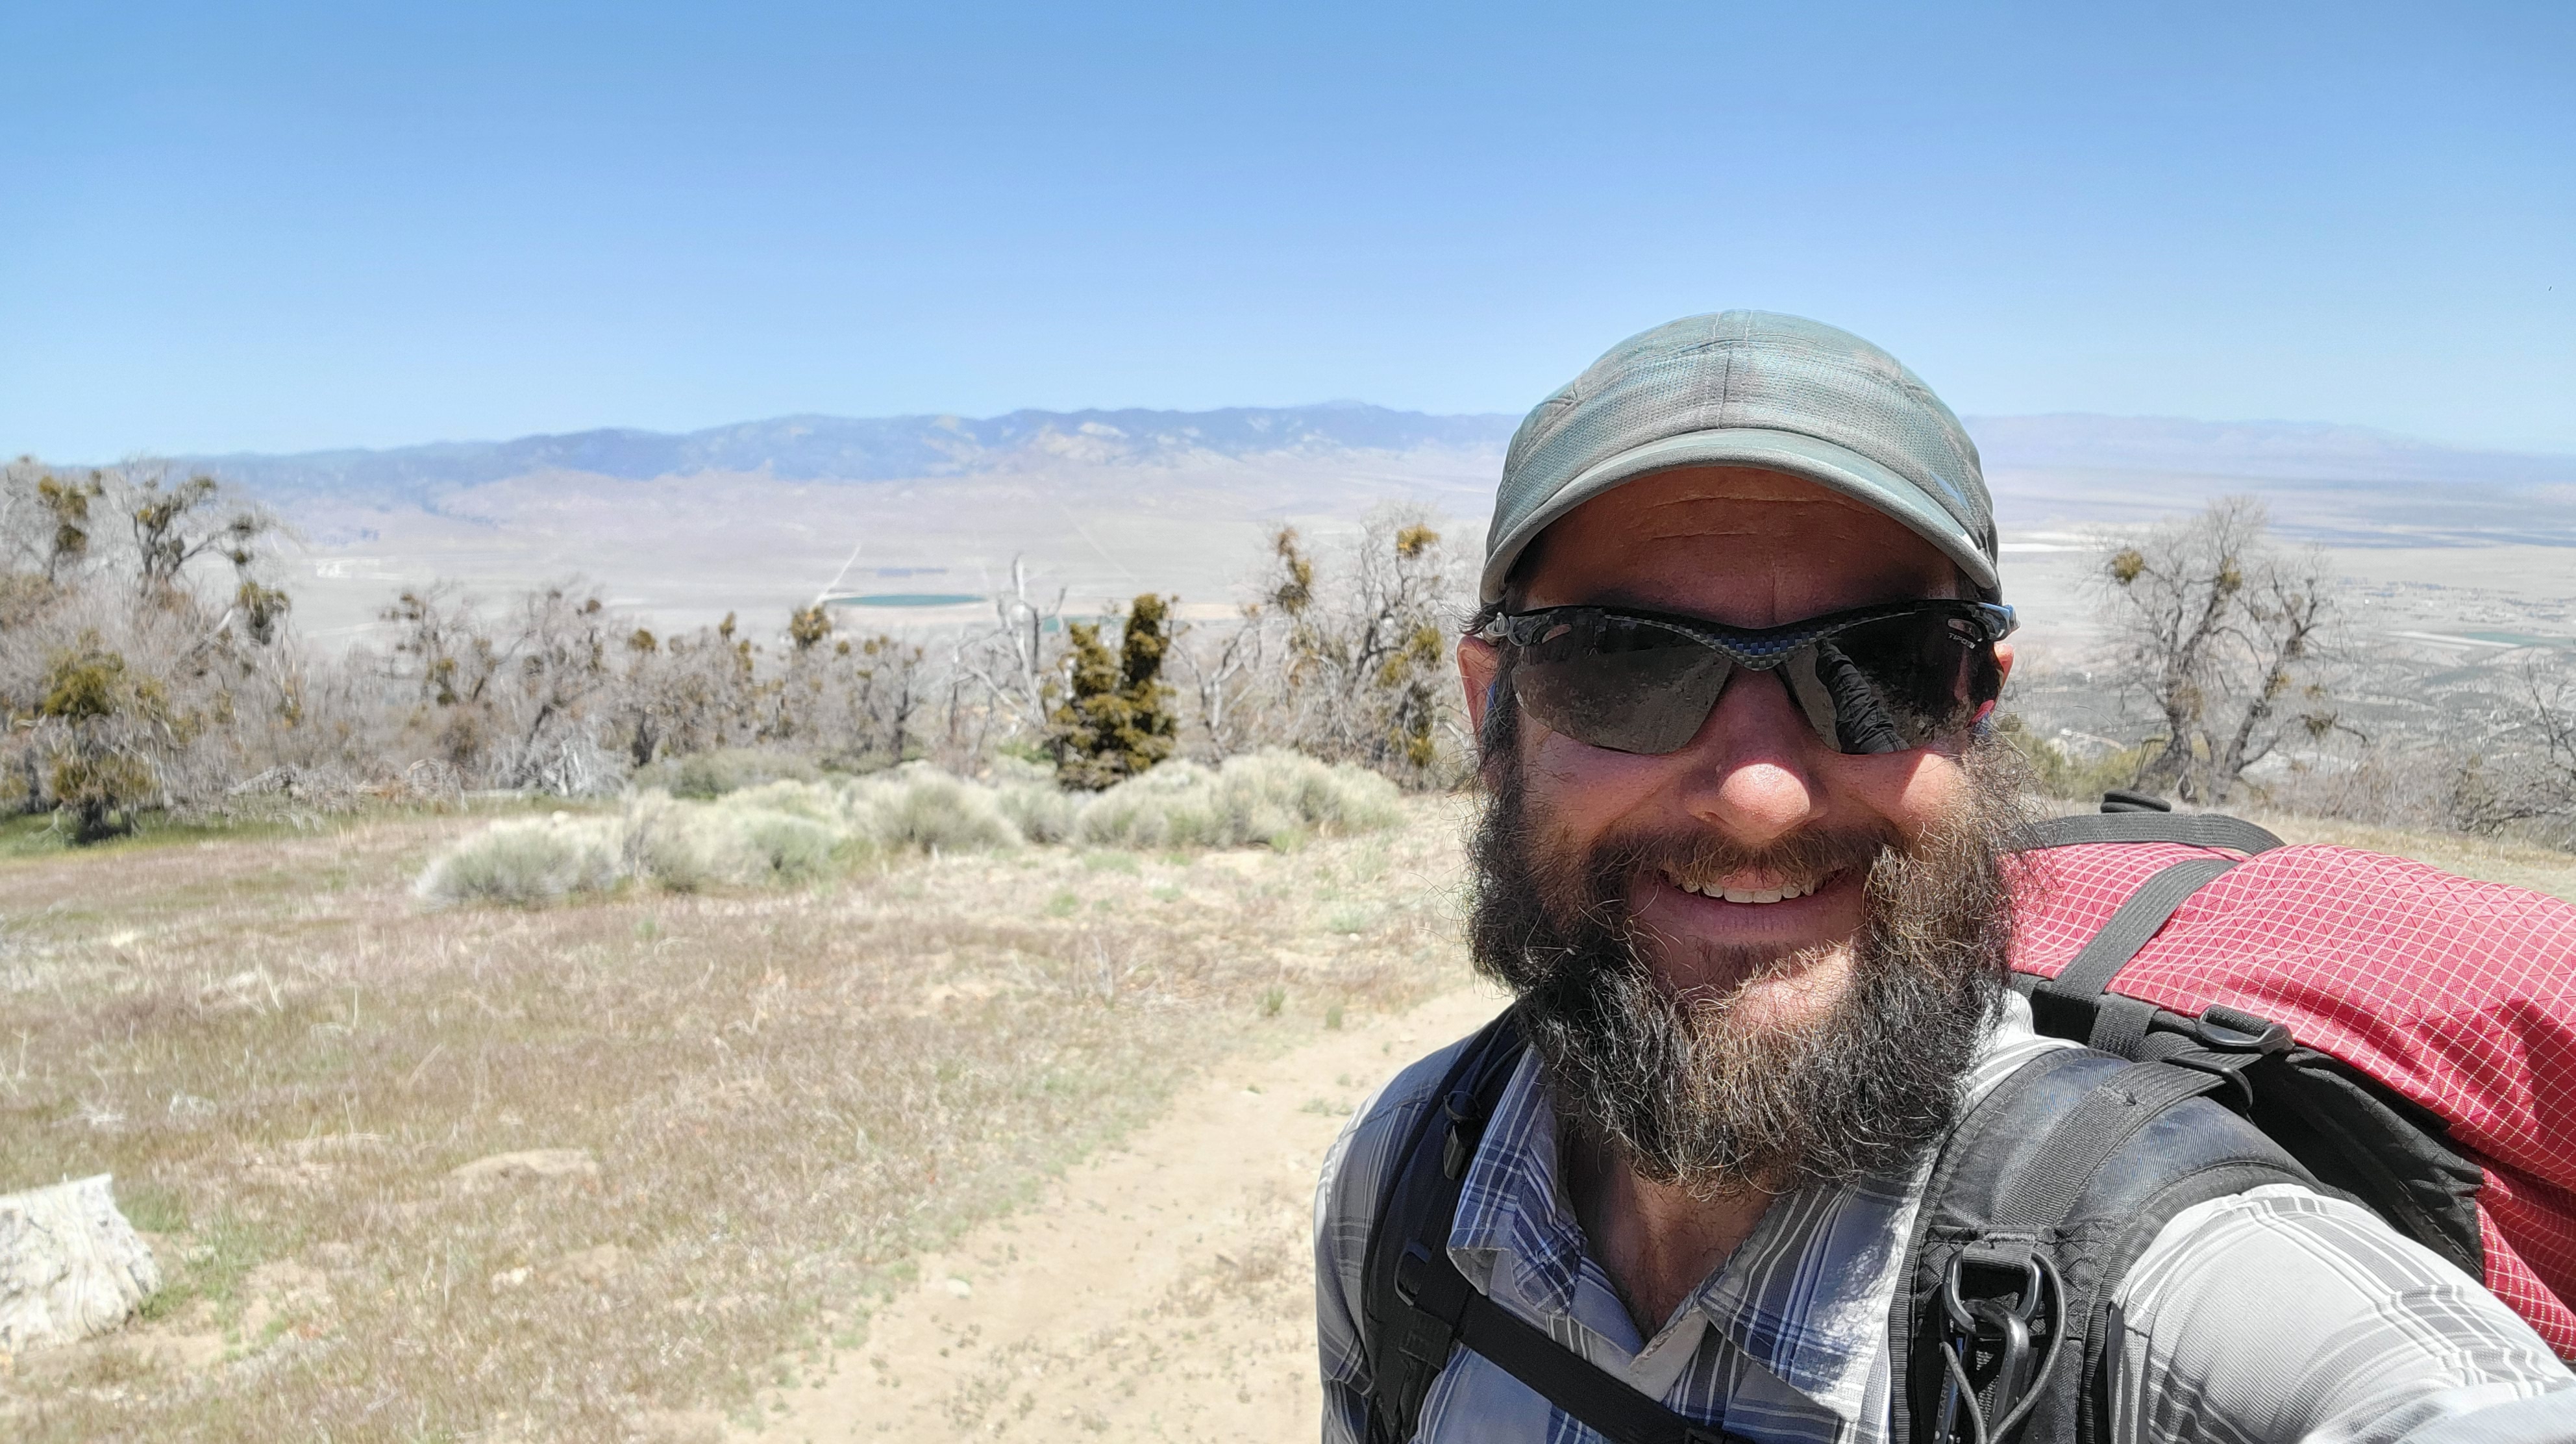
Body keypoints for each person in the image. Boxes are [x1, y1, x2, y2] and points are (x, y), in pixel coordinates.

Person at [1313, 312, 2575, 1443]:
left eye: (1882, 666)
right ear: (1492, 709)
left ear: (1977, 707)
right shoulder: (1409, 1175)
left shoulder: (2145, 1288)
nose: (1759, 794)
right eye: (1626, 659)